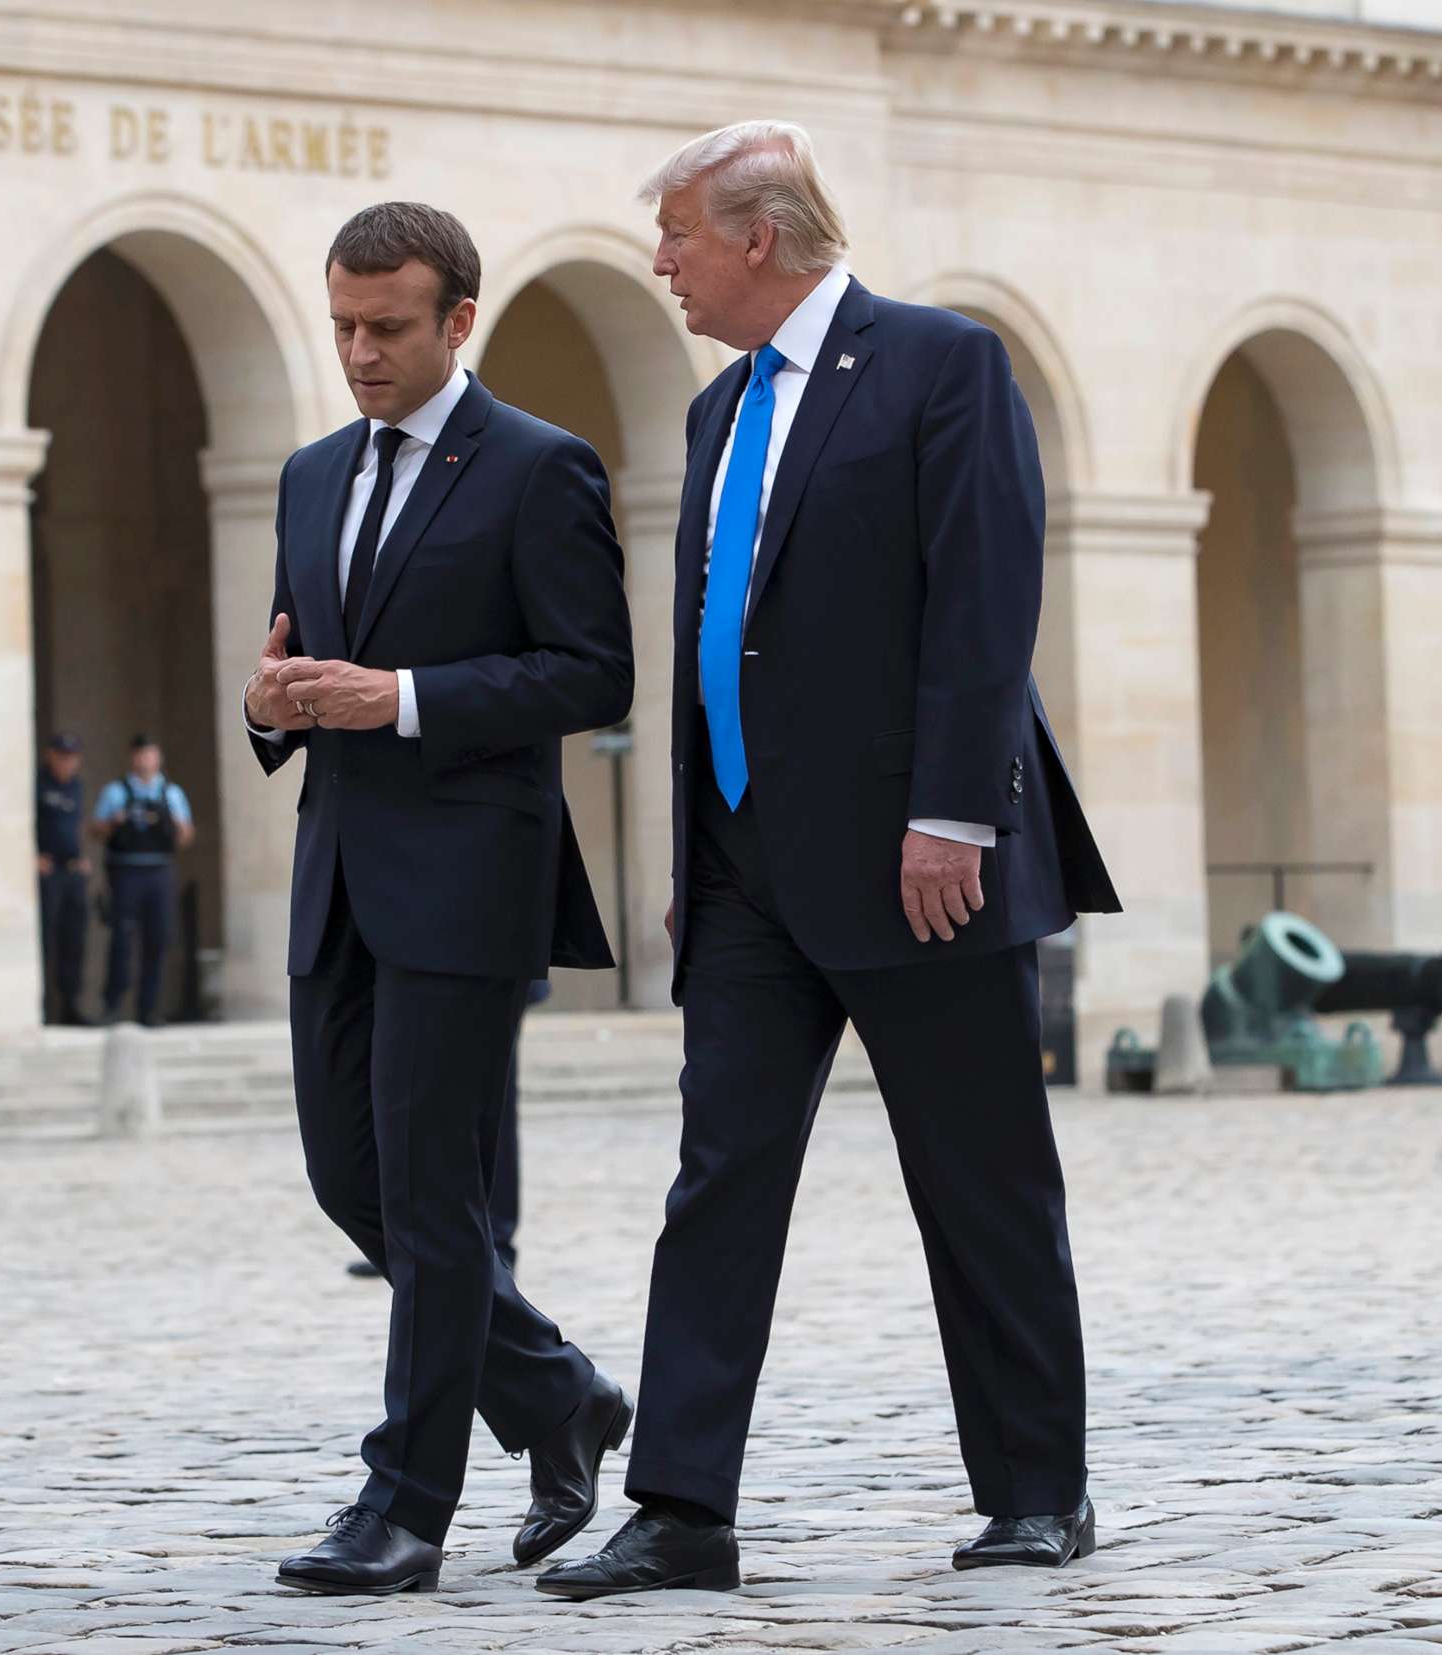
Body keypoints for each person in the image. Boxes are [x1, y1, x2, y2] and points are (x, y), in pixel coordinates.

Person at [539, 123, 1122, 1601]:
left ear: (756, 234)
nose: (657, 262)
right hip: (746, 875)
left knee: (979, 1179)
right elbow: (715, 635)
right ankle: (681, 1506)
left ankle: (1038, 1490)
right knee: (717, 1181)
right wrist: (691, 846)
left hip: (923, 858)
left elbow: (986, 599)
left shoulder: (940, 361)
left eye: (673, 234)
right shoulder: (716, 406)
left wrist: (958, 812)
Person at [244, 202, 634, 1597]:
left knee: (428, 1188)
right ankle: (557, 1395)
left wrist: (400, 697)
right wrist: (267, 703)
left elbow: (593, 673)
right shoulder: (305, 474)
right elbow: (297, 664)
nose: (359, 351)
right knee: (355, 1180)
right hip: (339, 872)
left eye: (388, 327)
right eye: (343, 324)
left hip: (470, 876)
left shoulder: (540, 467)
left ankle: (403, 1503)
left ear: (459, 319)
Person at [346, 976, 546, 1280]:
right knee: (405, 1101)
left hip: (490, 962)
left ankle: (496, 1243)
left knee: (490, 1102)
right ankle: (404, 1239)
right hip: (402, 964)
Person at [89, 735, 192, 1027]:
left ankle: (149, 1009)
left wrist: (170, 824)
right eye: (141, 755)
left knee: (157, 941)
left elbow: (186, 836)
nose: (146, 761)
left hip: (159, 872)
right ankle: (112, 1006)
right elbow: (96, 830)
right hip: (126, 872)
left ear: (158, 758)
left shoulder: (171, 793)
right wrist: (116, 821)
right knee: (121, 940)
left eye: (151, 755)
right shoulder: (116, 792)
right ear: (133, 757)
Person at [35, 732, 91, 1025]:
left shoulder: (76, 787)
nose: (66, 762)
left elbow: (76, 825)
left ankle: (70, 1005)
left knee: (74, 941)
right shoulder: (38, 785)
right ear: (51, 756)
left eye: (71, 757)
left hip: (72, 872)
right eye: (61, 756)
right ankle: (40, 1007)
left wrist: (81, 857)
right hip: (48, 872)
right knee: (46, 940)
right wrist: (32, 857)